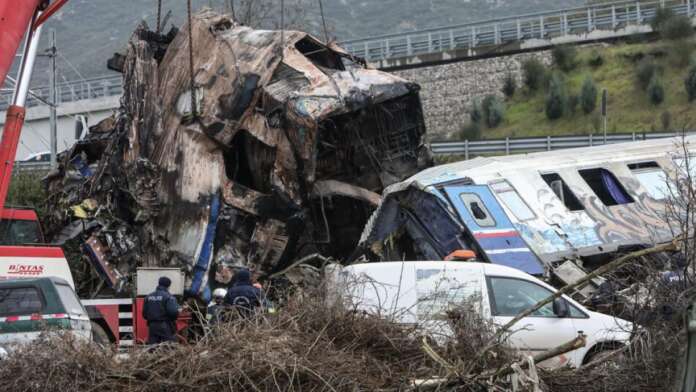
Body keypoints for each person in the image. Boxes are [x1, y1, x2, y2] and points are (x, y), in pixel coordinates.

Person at [142, 276, 180, 344]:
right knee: (170, 347)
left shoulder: (148, 297)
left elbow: (144, 314)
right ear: (168, 286)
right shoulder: (169, 297)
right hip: (165, 325)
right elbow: (173, 312)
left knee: (153, 347)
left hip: (152, 326)